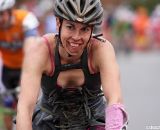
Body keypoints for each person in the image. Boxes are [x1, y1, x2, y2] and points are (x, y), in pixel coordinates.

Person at [16, 0, 128, 130]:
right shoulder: (40, 50)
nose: (76, 37)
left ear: (92, 29)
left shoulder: (101, 49)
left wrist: (114, 126)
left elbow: (115, 98)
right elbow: (25, 107)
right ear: (58, 23)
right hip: (49, 120)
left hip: (95, 118)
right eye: (70, 27)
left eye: (85, 29)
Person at [0, 0, 39, 129]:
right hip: (8, 70)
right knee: (7, 106)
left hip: (26, 67)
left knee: (28, 106)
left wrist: (27, 80)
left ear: (10, 11)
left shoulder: (25, 19)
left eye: (1, 14)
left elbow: (30, 50)